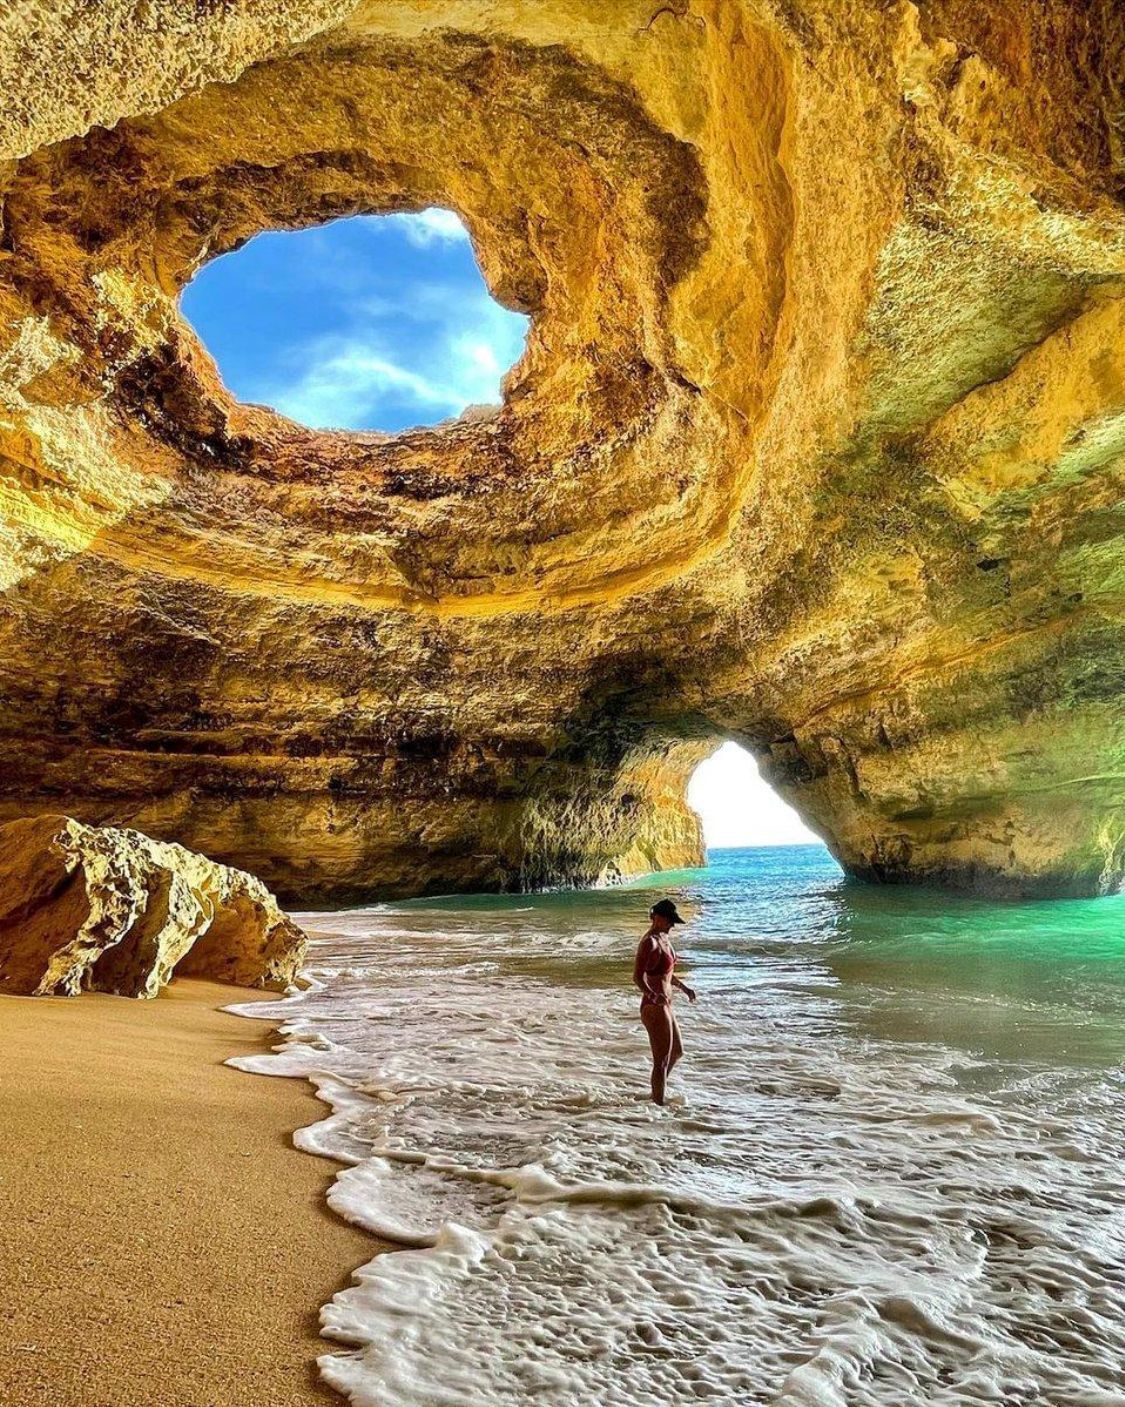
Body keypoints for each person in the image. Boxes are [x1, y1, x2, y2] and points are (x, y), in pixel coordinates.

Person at [633, 898, 696, 1105]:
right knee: (661, 1062)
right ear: (657, 918)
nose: (672, 925)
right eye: (670, 921)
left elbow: (666, 973)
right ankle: (658, 1106)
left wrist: (683, 987)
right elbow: (637, 977)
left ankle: (655, 1093)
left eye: (673, 922)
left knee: (677, 1052)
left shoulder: (665, 939)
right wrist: (652, 995)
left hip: (666, 1004)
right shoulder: (649, 942)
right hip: (654, 1007)